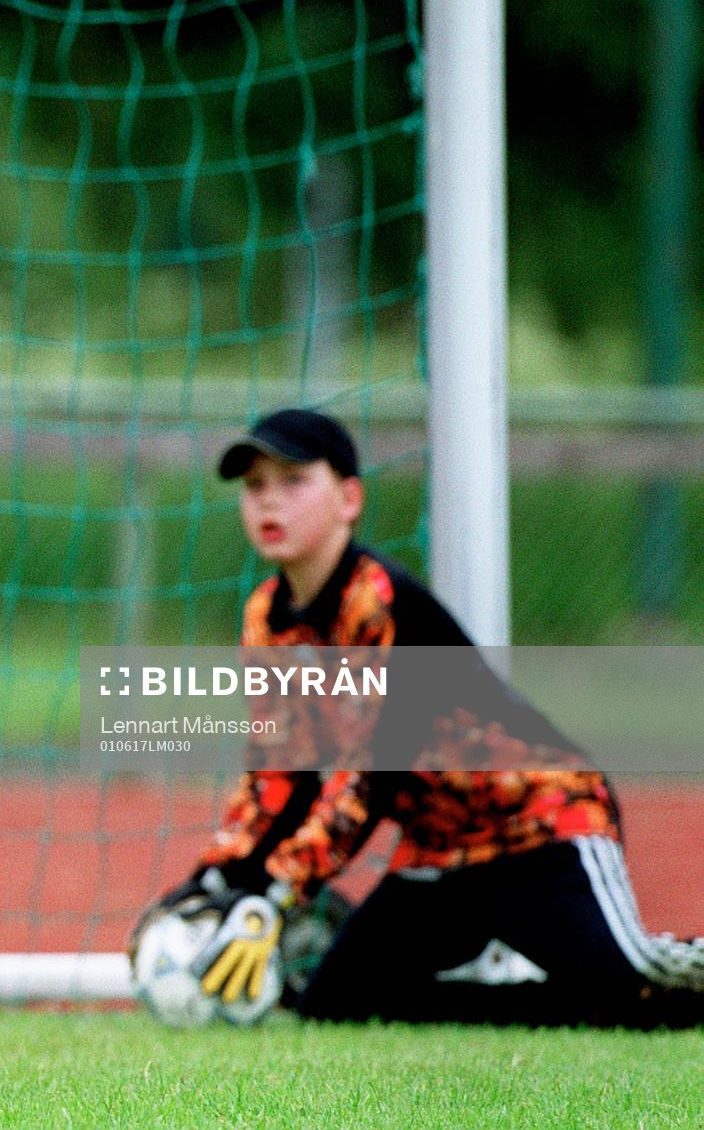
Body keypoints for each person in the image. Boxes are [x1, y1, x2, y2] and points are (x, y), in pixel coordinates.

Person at [135, 408, 703, 1027]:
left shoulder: (381, 602)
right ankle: (542, 993)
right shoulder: (268, 617)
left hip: (539, 823)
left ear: (349, 499)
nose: (269, 501)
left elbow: (368, 780)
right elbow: (280, 774)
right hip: (439, 851)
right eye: (254, 485)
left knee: (633, 985)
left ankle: (618, 986)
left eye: (294, 480)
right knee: (335, 1005)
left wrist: (278, 890)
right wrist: (220, 877)